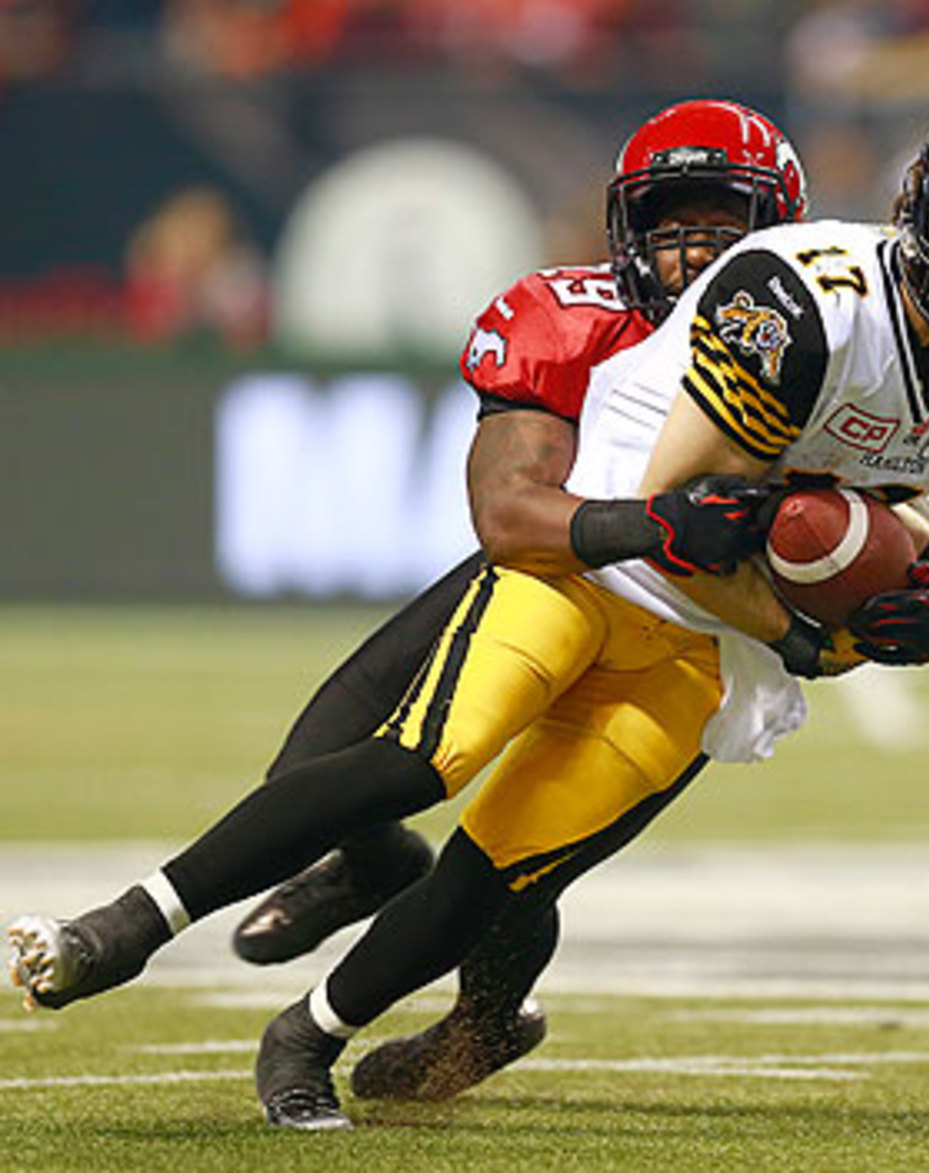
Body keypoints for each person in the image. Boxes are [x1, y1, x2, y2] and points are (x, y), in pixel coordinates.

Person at [8, 97, 830, 1099]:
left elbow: (856, 530)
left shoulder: (824, 353)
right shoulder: (567, 317)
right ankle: (368, 863)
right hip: (558, 574)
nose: (694, 249)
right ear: (625, 225)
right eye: (672, 217)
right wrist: (657, 525)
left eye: (725, 221)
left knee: (519, 858)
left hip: (692, 636)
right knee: (320, 771)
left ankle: (479, 1026)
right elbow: (509, 513)